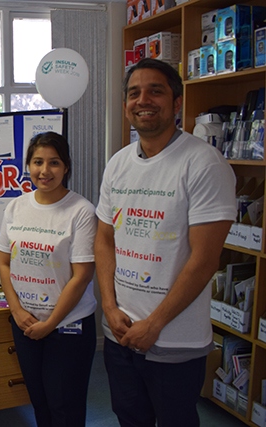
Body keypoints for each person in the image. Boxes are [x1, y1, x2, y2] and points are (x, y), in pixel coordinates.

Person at [94, 58, 237, 427]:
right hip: (120, 332)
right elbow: (105, 238)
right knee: (129, 417)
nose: (143, 100)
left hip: (174, 338)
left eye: (155, 90)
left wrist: (155, 324)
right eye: (134, 92)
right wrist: (109, 307)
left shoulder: (204, 164)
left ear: (177, 102)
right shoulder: (118, 163)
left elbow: (205, 260)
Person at [0, 131, 97, 427]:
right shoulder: (16, 207)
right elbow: (3, 262)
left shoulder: (81, 211)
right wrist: (17, 311)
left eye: (54, 163)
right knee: (39, 402)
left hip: (67, 328)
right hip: (25, 324)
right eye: (37, 162)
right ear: (28, 165)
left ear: (66, 167)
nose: (44, 170)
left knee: (65, 406)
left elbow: (82, 276)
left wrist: (50, 324)